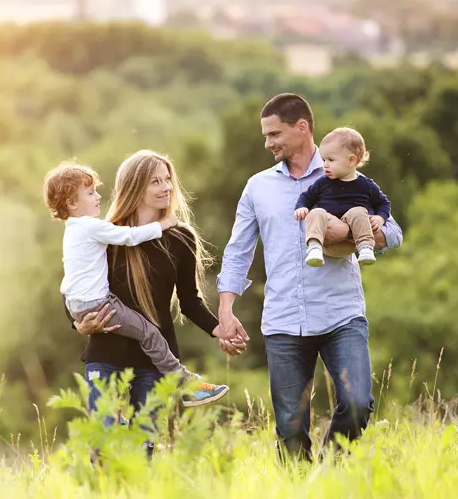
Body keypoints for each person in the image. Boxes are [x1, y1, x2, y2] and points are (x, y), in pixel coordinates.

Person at [216, 93, 402, 461]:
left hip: (341, 313)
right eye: (265, 136)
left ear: (302, 128)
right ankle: (302, 487)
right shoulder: (258, 187)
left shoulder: (349, 176)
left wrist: (358, 234)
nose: (267, 143)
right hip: (284, 319)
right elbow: (239, 249)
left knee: (357, 404)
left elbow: (393, 233)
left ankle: (328, 473)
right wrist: (226, 309)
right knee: (290, 427)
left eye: (274, 134)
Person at [63, 150, 237, 455]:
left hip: (155, 360)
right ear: (135, 187)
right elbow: (76, 286)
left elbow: (190, 301)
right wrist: (77, 322)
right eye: (155, 181)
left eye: (168, 179)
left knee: (144, 448)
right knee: (104, 448)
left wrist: (218, 329)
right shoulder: (108, 234)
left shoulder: (181, 238)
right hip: (106, 352)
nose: (166, 187)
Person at [294, 127, 391, 267]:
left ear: (351, 161)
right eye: (323, 160)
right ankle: (314, 247)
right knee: (316, 212)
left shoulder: (366, 185)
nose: (325, 165)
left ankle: (365, 248)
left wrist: (381, 217)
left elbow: (383, 203)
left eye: (331, 160)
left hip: (351, 243)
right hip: (328, 238)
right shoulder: (323, 183)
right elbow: (306, 196)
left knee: (358, 211)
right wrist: (301, 207)